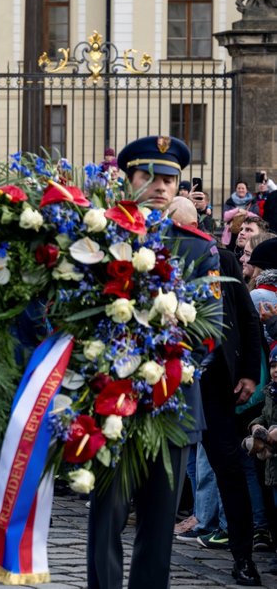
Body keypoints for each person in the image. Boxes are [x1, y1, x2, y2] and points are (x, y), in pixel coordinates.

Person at [86, 136, 233, 588]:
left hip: (173, 404)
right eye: (150, 177)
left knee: (157, 528)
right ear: (131, 179)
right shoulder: (101, 235)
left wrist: (164, 363)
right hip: (112, 401)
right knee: (106, 520)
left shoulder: (198, 247)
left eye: (169, 179)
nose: (161, 186)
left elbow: (210, 331)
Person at [169, 197, 263, 583]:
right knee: (166, 470)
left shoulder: (219, 258)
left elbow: (246, 315)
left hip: (213, 382)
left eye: (188, 228)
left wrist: (248, 373)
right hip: (168, 379)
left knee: (227, 468)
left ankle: (243, 557)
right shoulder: (154, 254)